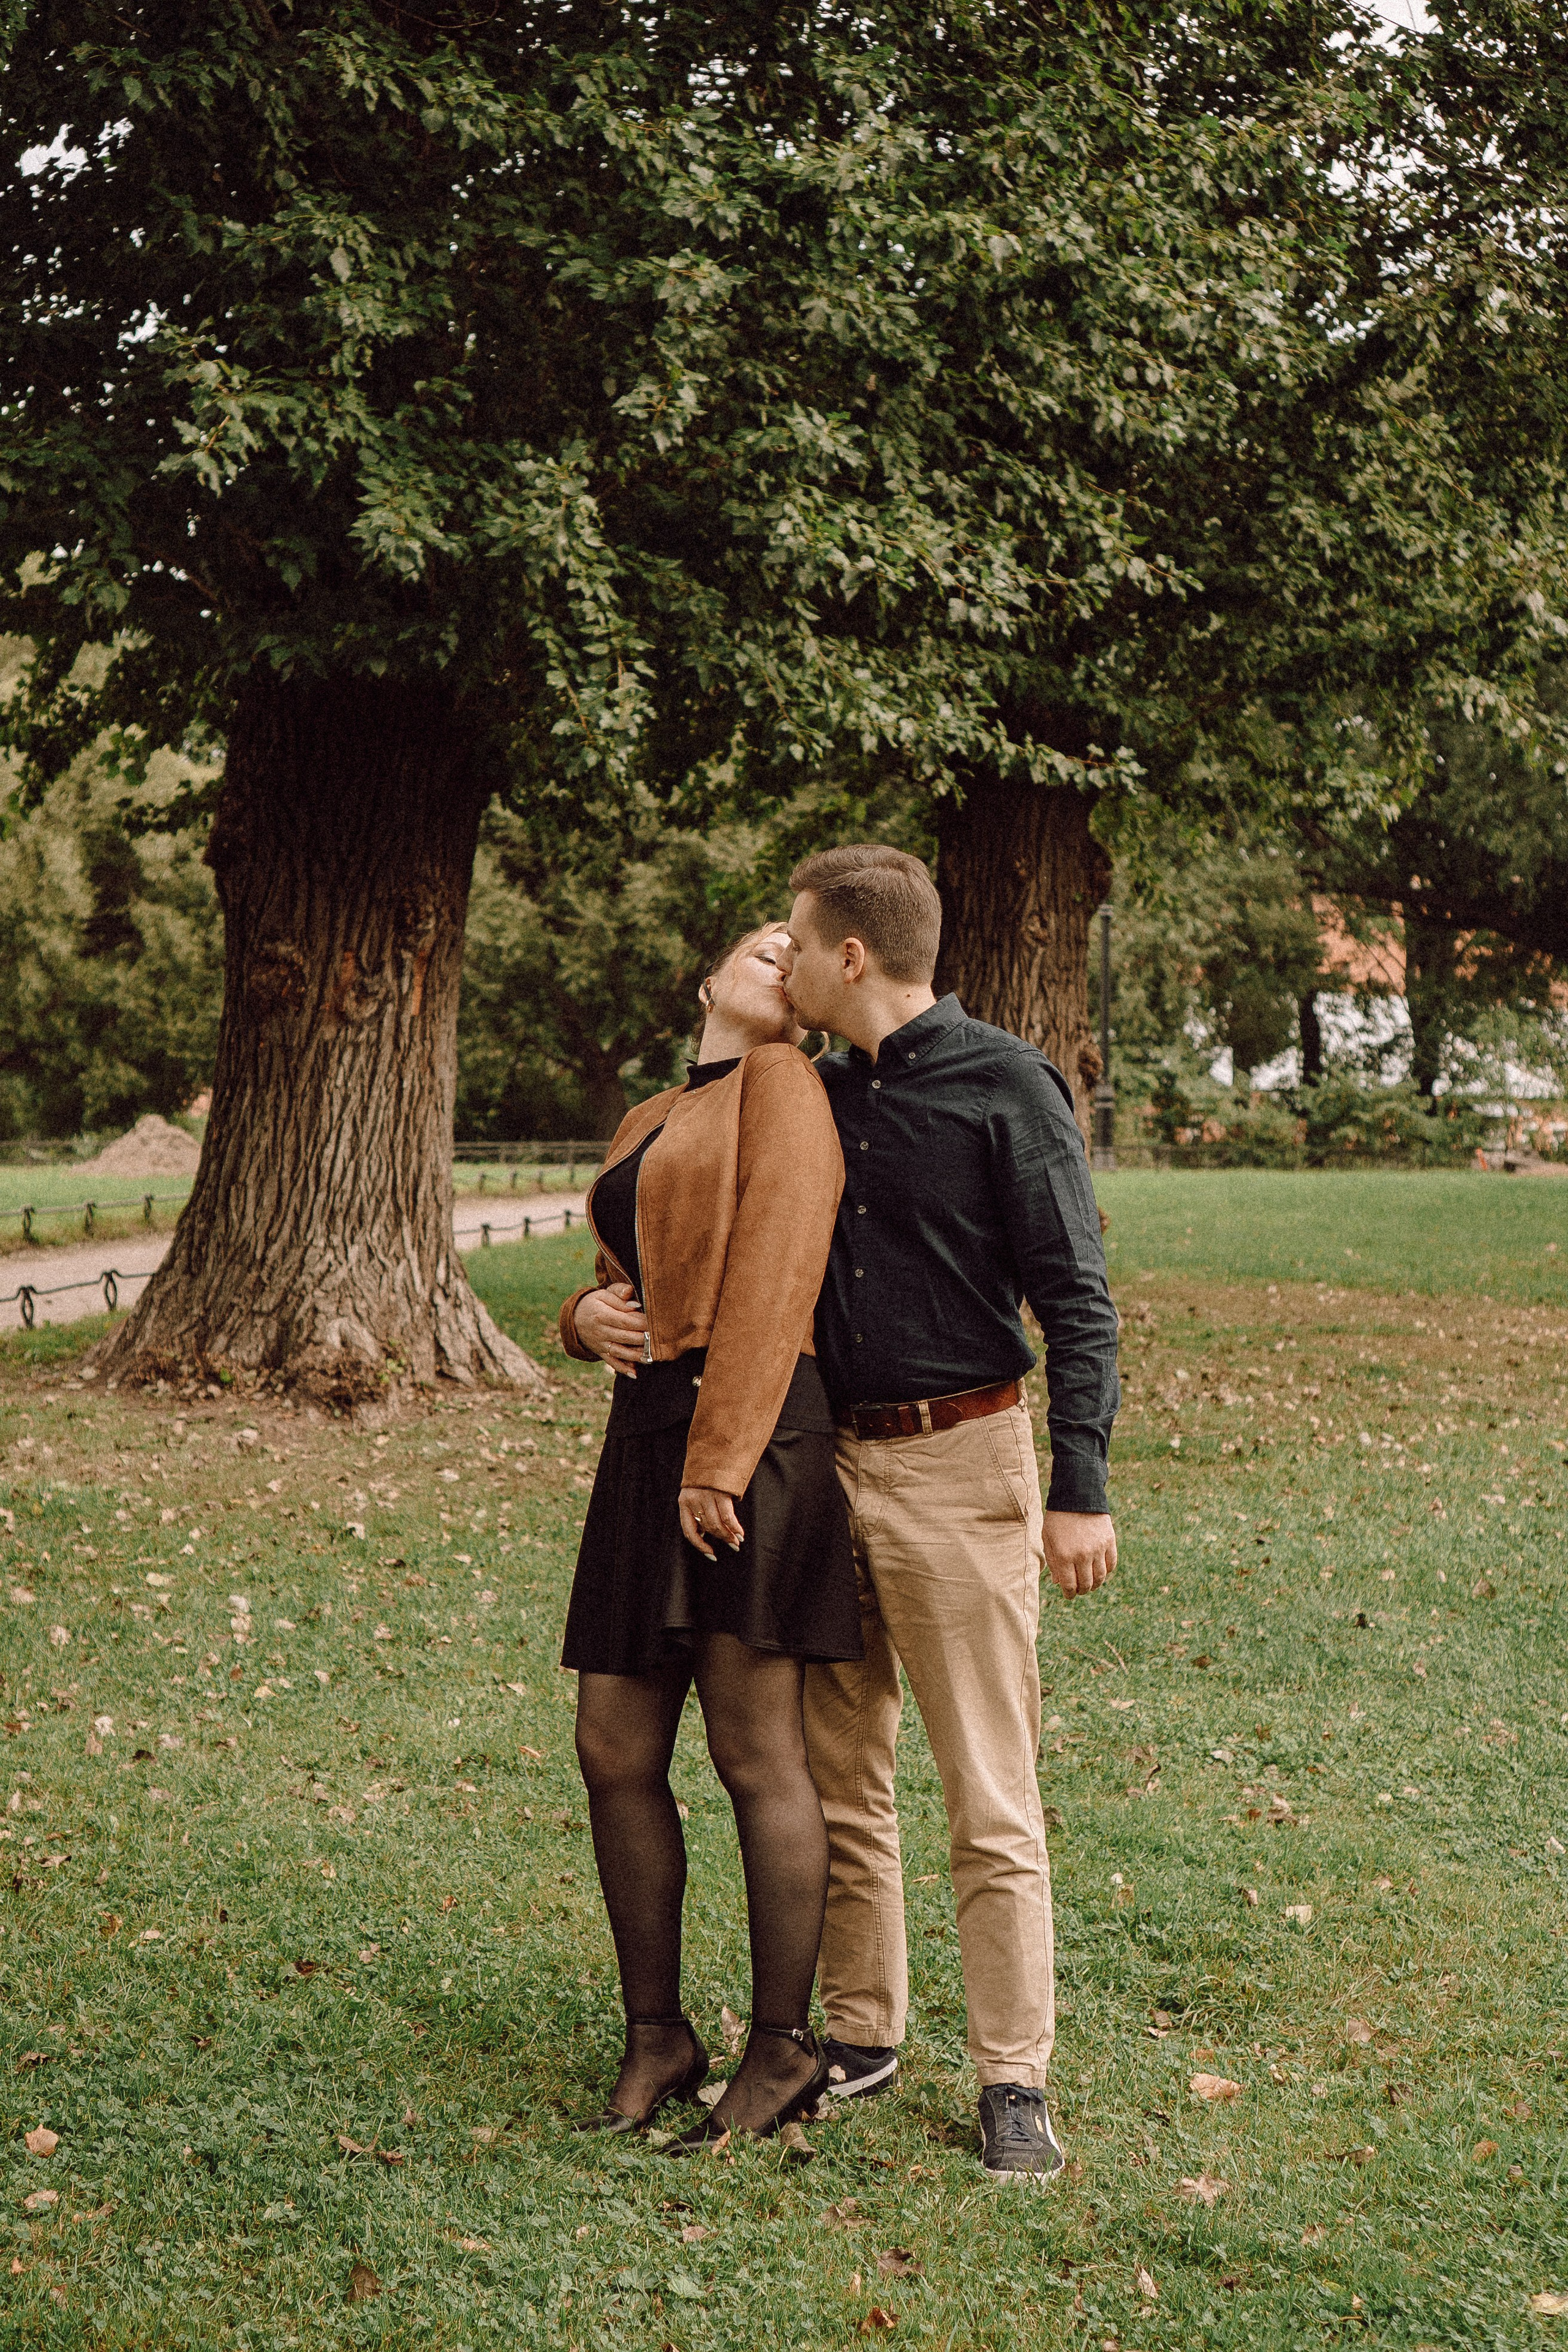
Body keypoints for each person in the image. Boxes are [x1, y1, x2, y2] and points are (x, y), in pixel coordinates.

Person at [777, 843, 1121, 2182]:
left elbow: (1076, 1295)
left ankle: (1012, 2077)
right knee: (840, 1771)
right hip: (827, 1469)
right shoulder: (808, 1094)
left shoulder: (1007, 1084)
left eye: (798, 943)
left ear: (852, 954)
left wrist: (1079, 1489)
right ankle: (862, 2033)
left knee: (989, 1787)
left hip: (963, 1464)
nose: (787, 964)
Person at [557, 924, 861, 2152]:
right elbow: (621, 1275)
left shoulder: (785, 1085)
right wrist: (579, 1318)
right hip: (645, 1441)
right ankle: (658, 2037)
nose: (782, 958)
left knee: (754, 1751)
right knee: (612, 1744)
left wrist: (720, 1459)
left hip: (748, 1437)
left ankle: (782, 2049)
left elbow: (778, 1279)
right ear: (709, 979)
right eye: (762, 943)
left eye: (801, 954)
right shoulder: (652, 1114)